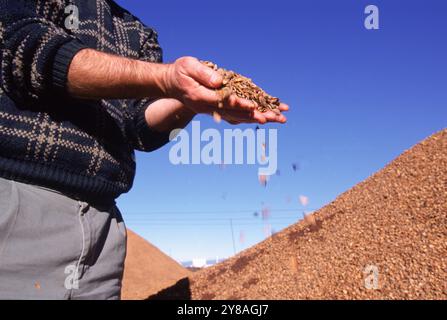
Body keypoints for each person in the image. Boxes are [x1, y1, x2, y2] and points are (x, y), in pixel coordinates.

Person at [0, 0, 288, 299]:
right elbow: (28, 51)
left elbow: (139, 128)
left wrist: (189, 101)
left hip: (103, 221)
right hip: (20, 200)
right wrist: (165, 78)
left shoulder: (137, 31)